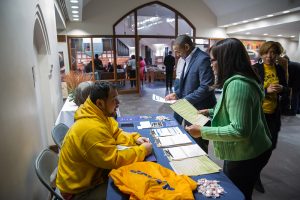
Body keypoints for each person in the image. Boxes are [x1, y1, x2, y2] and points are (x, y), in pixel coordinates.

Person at [185, 38, 272, 200]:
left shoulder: (238, 85)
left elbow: (239, 130)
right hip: (250, 150)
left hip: (246, 154)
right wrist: (209, 112)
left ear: (226, 60)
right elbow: (235, 110)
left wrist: (202, 131)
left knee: (237, 195)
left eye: (213, 60)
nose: (211, 64)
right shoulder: (238, 81)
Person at [56, 81, 152, 200]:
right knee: (131, 190)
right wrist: (142, 150)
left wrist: (135, 138)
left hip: (93, 177)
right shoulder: (91, 128)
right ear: (100, 103)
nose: (118, 103)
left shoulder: (97, 113)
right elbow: (114, 160)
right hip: (79, 191)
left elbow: (116, 132)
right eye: (114, 99)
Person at [165, 34, 216, 153]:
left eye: (178, 51)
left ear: (187, 47)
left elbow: (206, 87)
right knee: (191, 141)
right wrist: (177, 94)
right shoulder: (186, 59)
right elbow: (187, 83)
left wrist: (185, 100)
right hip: (190, 108)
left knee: (200, 145)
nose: (177, 55)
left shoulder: (202, 59)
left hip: (200, 108)